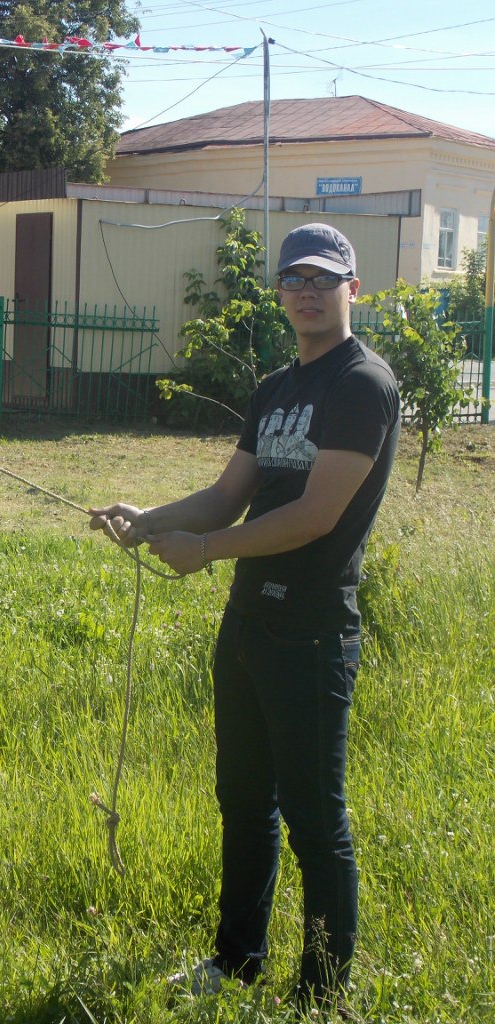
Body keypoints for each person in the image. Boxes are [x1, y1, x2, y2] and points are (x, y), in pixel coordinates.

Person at [90, 223, 400, 1016]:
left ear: (352, 290)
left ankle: (322, 993)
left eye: (322, 280)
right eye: (293, 279)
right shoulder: (275, 389)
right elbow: (229, 496)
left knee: (315, 821)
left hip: (312, 632)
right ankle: (236, 961)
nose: (306, 292)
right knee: (244, 803)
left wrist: (205, 550)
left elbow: (316, 516)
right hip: (248, 626)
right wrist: (150, 520)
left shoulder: (361, 384)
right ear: (280, 292)